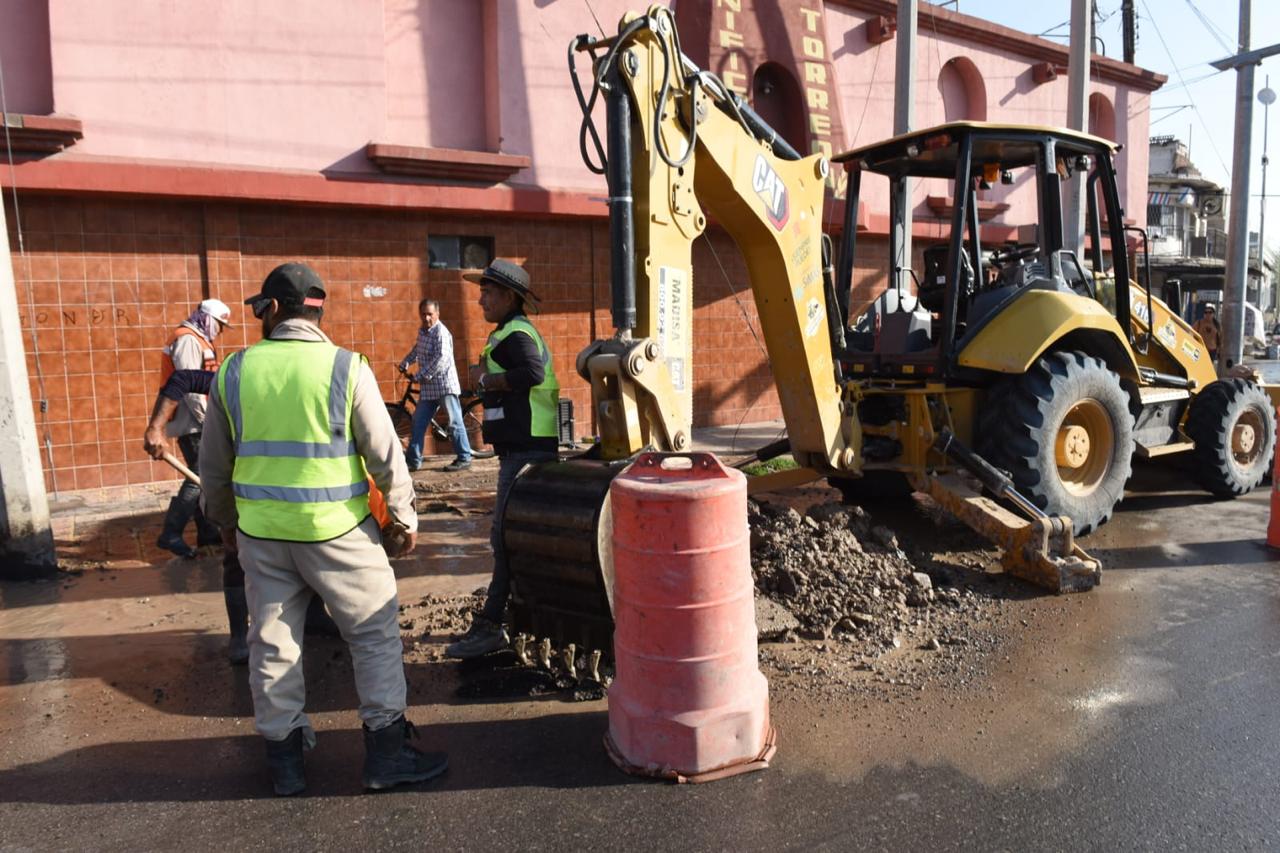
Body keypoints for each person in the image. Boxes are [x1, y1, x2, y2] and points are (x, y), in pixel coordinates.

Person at [200, 262, 446, 796]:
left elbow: (214, 467)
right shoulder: (347, 368)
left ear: (270, 310)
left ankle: (285, 766)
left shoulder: (235, 373)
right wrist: (402, 519)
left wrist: (224, 524)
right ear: (317, 311)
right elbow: (387, 457)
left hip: (262, 536)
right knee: (373, 634)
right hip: (339, 532)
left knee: (272, 644)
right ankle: (385, 756)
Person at [446, 259, 559, 659]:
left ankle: (493, 624)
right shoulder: (508, 333)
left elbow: (530, 372)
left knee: (504, 538)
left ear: (509, 296)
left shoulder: (517, 333)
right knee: (512, 539)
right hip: (522, 447)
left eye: (488, 292)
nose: (480, 300)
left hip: (527, 449)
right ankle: (513, 618)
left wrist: (487, 381)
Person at [155, 298, 233, 558]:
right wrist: (207, 419)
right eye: (219, 325)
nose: (220, 331)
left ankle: (208, 536)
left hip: (197, 419)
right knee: (198, 477)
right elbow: (189, 385)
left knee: (203, 477)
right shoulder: (188, 339)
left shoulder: (197, 338)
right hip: (192, 421)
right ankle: (171, 533)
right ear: (207, 319)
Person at [397, 299, 473, 472]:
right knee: (418, 421)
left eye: (430, 314)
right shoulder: (423, 332)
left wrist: (421, 375)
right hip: (429, 388)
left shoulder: (441, 333)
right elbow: (418, 349)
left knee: (454, 422)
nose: (426, 317)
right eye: (423, 314)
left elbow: (441, 358)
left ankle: (464, 457)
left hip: (444, 385)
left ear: (437, 314)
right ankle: (413, 460)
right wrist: (407, 361)